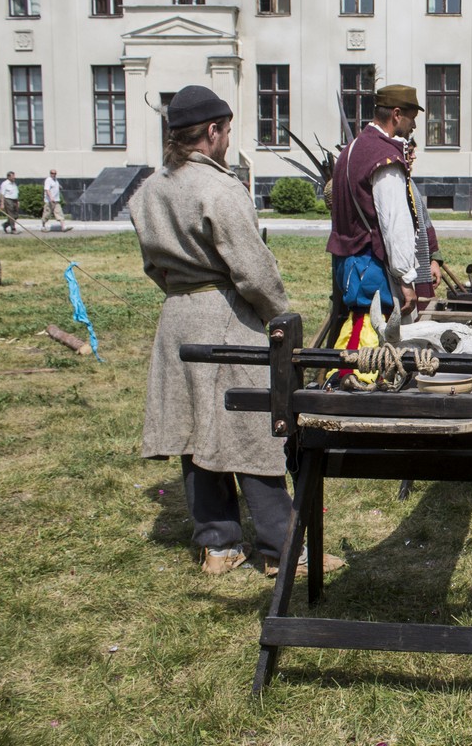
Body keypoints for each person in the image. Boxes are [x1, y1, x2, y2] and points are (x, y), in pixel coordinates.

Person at [130, 84, 343, 578]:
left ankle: (218, 544)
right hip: (227, 315)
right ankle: (281, 548)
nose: (228, 139)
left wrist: (183, 291)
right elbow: (254, 271)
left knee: (196, 431)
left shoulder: (150, 191)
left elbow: (152, 266)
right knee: (252, 430)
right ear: (212, 132)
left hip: (177, 316)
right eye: (226, 130)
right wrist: (279, 316)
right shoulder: (221, 188)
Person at [327, 84, 425, 384]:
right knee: (370, 327)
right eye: (410, 117)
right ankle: (348, 376)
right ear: (396, 115)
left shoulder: (353, 149)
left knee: (364, 325)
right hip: (371, 263)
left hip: (351, 262)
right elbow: (394, 224)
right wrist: (407, 279)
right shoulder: (384, 157)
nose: (414, 124)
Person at [405, 138, 444, 310]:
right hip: (405, 270)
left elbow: (426, 224)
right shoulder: (394, 183)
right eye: (409, 152)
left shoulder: (409, 182)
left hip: (421, 267)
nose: (413, 156)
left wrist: (434, 260)